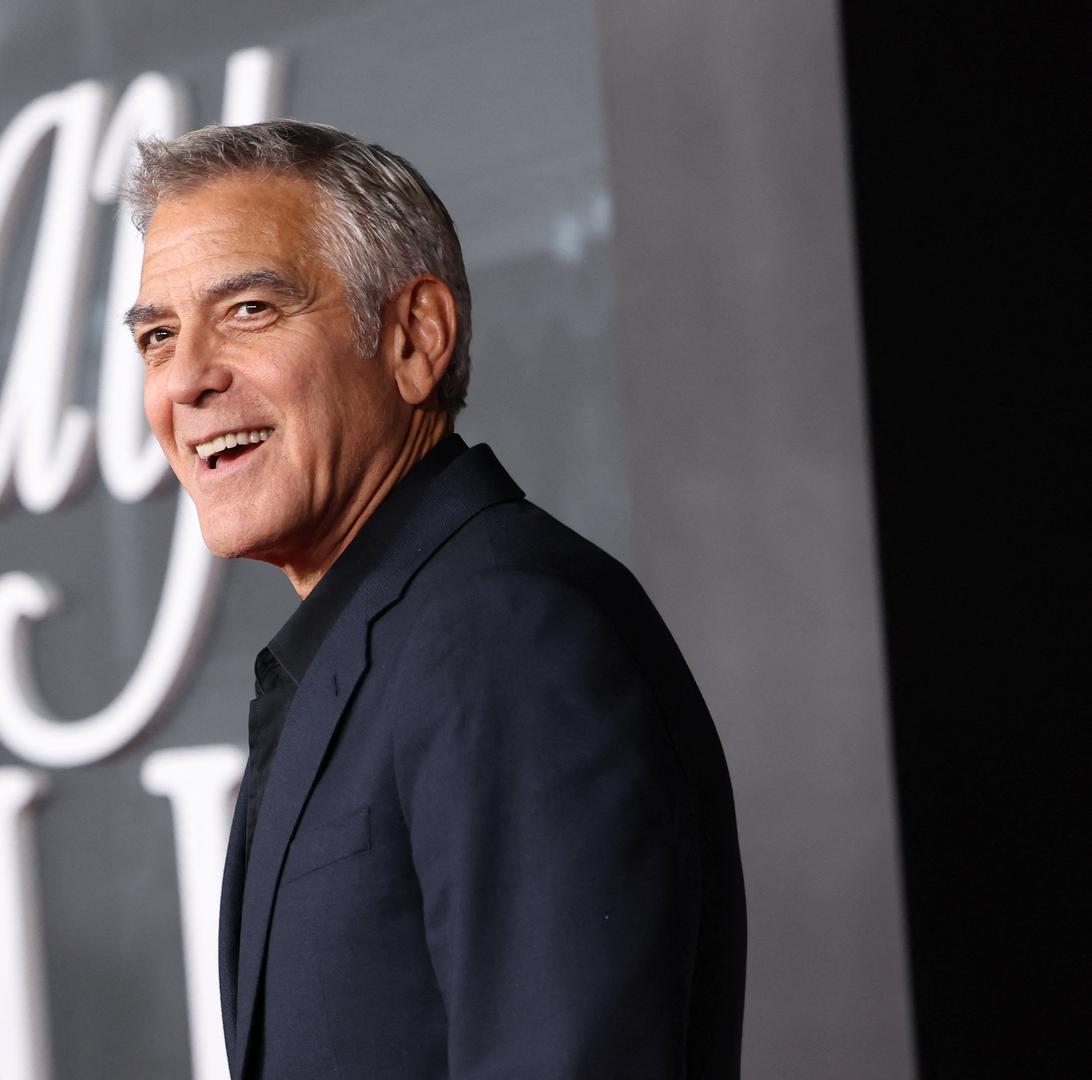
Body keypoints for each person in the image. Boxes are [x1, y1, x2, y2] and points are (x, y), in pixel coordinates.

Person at [122, 120, 746, 1080]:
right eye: (158, 337)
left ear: (415, 338)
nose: (188, 380)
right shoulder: (387, 634)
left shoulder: (504, 633)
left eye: (248, 310)